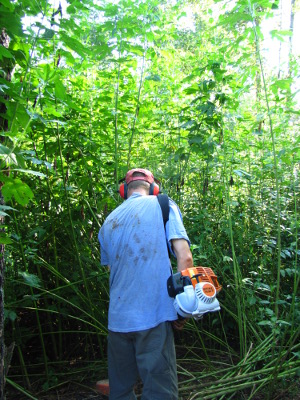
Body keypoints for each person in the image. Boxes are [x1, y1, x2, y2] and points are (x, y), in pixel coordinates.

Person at [98, 168, 193, 400]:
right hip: (154, 316)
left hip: (118, 321)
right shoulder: (163, 204)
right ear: (153, 188)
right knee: (160, 391)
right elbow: (185, 256)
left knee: (120, 392)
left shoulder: (108, 221)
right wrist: (183, 306)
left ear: (124, 191)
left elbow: (112, 270)